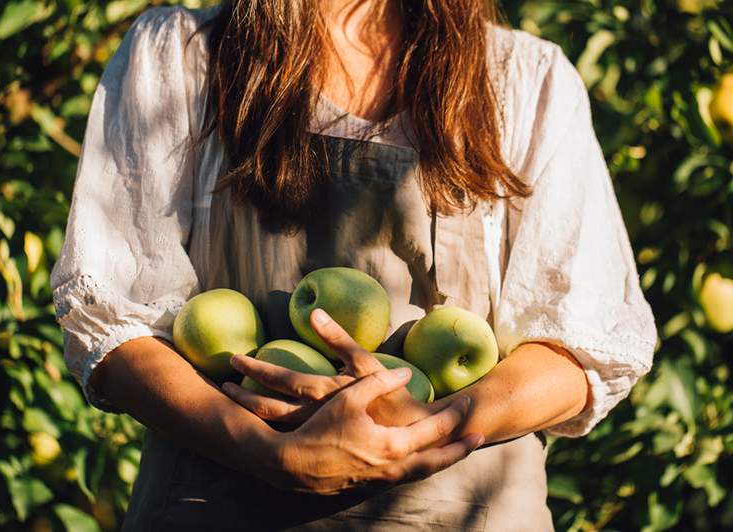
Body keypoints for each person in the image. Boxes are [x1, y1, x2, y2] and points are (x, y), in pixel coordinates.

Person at [51, 1, 657, 530]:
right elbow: (112, 323)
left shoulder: (523, 80)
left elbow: (580, 344)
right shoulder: (181, 60)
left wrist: (434, 422)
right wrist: (270, 454)